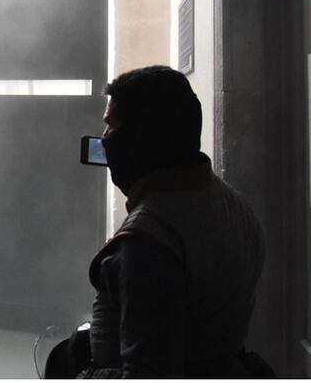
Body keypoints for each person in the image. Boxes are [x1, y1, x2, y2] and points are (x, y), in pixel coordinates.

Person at [79, 66, 268, 378]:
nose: (105, 140)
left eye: (112, 128)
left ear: (142, 137)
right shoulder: (235, 205)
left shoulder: (149, 241)